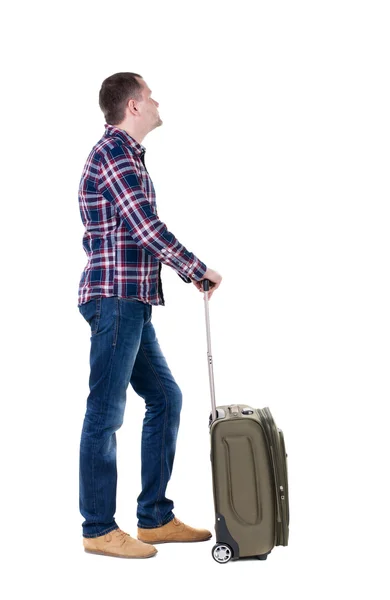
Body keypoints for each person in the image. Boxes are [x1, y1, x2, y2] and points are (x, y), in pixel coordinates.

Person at [77, 72, 222, 559]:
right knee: (106, 411)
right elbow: (144, 227)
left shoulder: (128, 156)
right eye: (151, 94)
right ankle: (98, 527)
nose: (158, 101)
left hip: (131, 303)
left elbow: (137, 228)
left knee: (165, 397)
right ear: (133, 106)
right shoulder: (114, 154)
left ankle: (154, 518)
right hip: (116, 301)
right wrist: (197, 269)